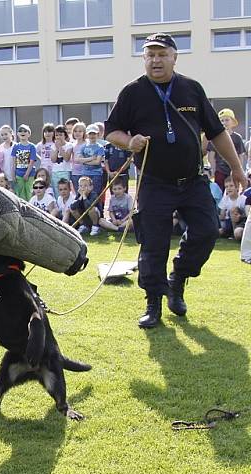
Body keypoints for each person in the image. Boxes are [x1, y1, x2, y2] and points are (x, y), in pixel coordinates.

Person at [104, 32, 247, 328]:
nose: (155, 60)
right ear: (144, 59)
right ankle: (153, 303)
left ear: (174, 57)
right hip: (154, 182)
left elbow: (217, 133)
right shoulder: (132, 92)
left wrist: (236, 168)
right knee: (153, 244)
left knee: (207, 231)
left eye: (161, 54)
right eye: (150, 55)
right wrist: (129, 142)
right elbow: (111, 131)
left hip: (193, 180)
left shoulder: (191, 89)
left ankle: (178, 278)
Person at [207, 108, 247, 192]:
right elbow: (211, 155)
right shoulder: (215, 138)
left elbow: (240, 155)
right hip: (220, 170)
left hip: (233, 170)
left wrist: (240, 169)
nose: (224, 122)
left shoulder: (237, 138)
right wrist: (214, 170)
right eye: (221, 120)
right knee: (219, 191)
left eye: (227, 120)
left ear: (233, 122)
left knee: (233, 190)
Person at [75, 124, 106, 200]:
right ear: (87, 135)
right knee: (84, 193)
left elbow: (97, 162)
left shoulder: (100, 147)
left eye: (94, 134)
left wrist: (84, 161)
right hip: (85, 173)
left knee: (95, 194)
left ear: (97, 134)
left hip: (96, 174)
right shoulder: (83, 147)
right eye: (90, 134)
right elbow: (78, 159)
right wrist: (91, 158)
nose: (92, 136)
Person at [11, 124, 37, 201]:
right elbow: (13, 162)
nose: (23, 132)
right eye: (20, 131)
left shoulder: (32, 146)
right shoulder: (16, 146)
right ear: (17, 134)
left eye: (25, 131)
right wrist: (13, 175)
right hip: (18, 173)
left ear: (29, 134)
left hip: (29, 174)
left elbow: (32, 161)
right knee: (20, 193)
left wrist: (27, 174)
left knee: (29, 192)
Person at [50, 124, 73, 196]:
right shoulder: (53, 146)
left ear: (65, 135)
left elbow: (67, 158)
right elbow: (53, 160)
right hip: (55, 172)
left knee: (65, 190)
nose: (58, 137)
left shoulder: (69, 145)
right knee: (57, 191)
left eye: (60, 135)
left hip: (65, 171)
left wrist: (60, 147)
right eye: (56, 135)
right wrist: (56, 148)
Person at [69, 122, 86, 191]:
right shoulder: (72, 145)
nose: (77, 133)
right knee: (77, 192)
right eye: (75, 131)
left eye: (80, 131)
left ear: (84, 133)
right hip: (75, 172)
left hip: (84, 172)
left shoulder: (86, 144)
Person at [0, 124, 16, 190]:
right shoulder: (0, 147)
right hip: (5, 177)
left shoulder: (16, 146)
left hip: (15, 176)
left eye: (6, 134)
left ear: (11, 133)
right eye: (2, 135)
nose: (4, 136)